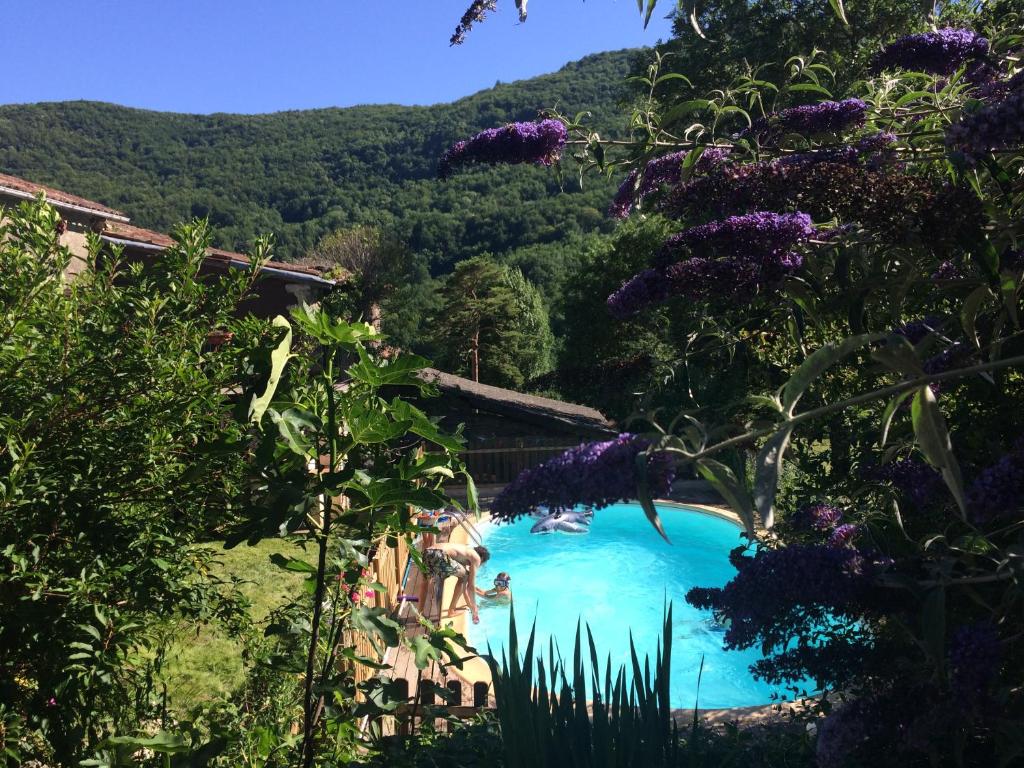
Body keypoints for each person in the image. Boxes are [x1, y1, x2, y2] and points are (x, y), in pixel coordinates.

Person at [417, 541, 490, 624]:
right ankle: (451, 610)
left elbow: (464, 588)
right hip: (440, 555)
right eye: (482, 564)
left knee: (425, 582)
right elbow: (470, 586)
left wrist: (470, 605)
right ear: (482, 559)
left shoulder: (465, 551)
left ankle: (419, 615)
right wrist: (474, 607)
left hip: (427, 552)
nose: (479, 565)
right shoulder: (477, 558)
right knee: (465, 575)